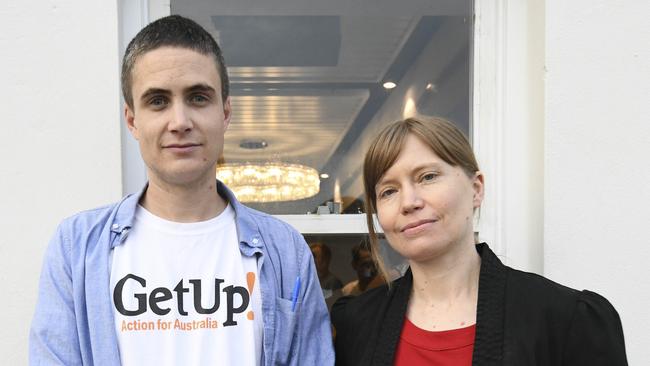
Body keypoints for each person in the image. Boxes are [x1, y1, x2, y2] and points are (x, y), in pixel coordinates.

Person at [29, 15, 334, 366]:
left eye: (198, 98)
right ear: (132, 120)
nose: (180, 122)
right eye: (158, 101)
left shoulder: (285, 250)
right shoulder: (77, 248)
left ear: (225, 112)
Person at [331, 117, 627, 365]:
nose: (408, 202)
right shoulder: (356, 324)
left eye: (428, 176)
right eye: (388, 191)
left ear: (476, 188)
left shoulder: (567, 318)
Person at [310, 242, 343, 309]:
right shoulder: (311, 281)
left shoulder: (334, 282)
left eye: (314, 256)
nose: (311, 260)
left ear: (325, 259)